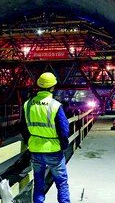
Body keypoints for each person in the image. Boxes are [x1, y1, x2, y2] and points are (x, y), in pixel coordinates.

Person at [20, 72, 71, 203]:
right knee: (61, 183)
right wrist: (63, 146)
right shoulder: (55, 105)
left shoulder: (28, 104)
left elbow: (23, 128)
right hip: (53, 151)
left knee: (38, 184)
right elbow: (64, 130)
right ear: (53, 86)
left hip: (35, 150)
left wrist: (30, 142)